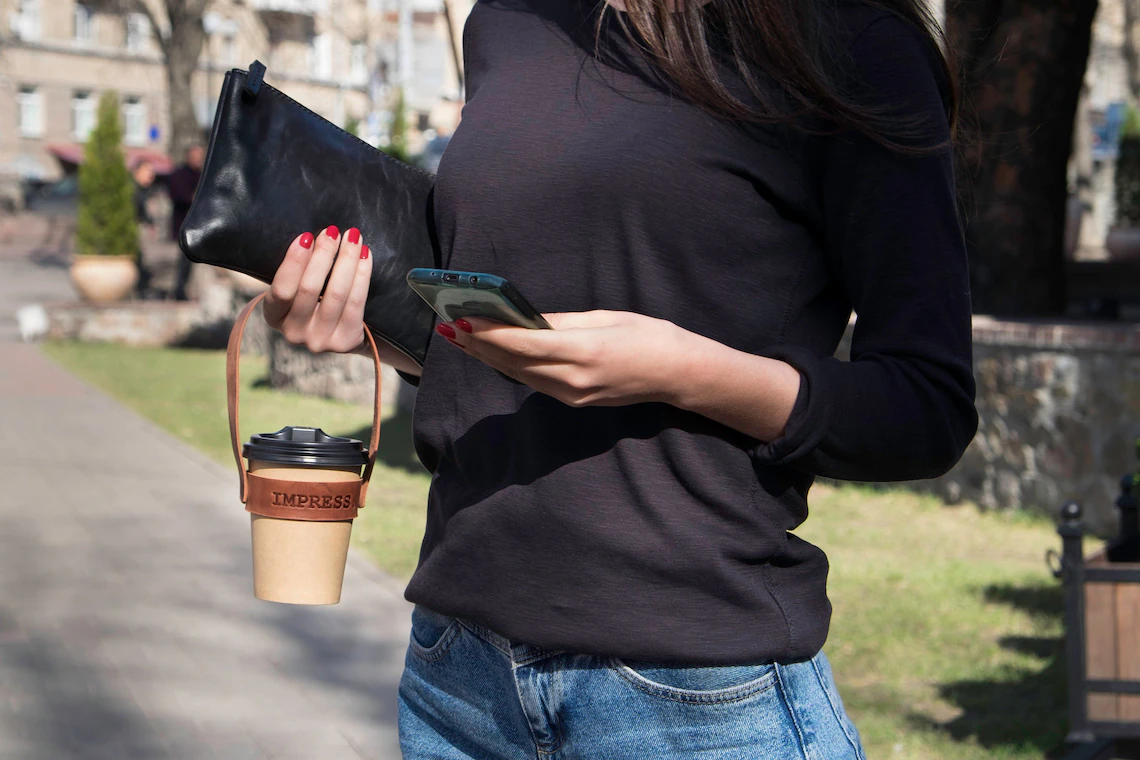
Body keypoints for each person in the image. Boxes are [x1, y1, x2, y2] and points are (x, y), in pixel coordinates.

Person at [261, 0, 978, 756]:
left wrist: (678, 368)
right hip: (459, 681)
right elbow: (491, 361)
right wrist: (359, 322)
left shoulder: (848, 40)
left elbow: (925, 406)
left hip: (692, 698)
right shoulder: (506, 22)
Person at [168, 144, 204, 301]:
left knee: (190, 263)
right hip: (183, 223)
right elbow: (179, 196)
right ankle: (179, 290)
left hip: (199, 225)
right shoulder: (179, 174)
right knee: (182, 262)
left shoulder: (202, 174)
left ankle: (184, 290)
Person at [132, 160, 156, 298]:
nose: (151, 175)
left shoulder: (143, 190)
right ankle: (140, 288)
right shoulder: (133, 190)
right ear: (137, 171)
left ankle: (142, 287)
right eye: (147, 171)